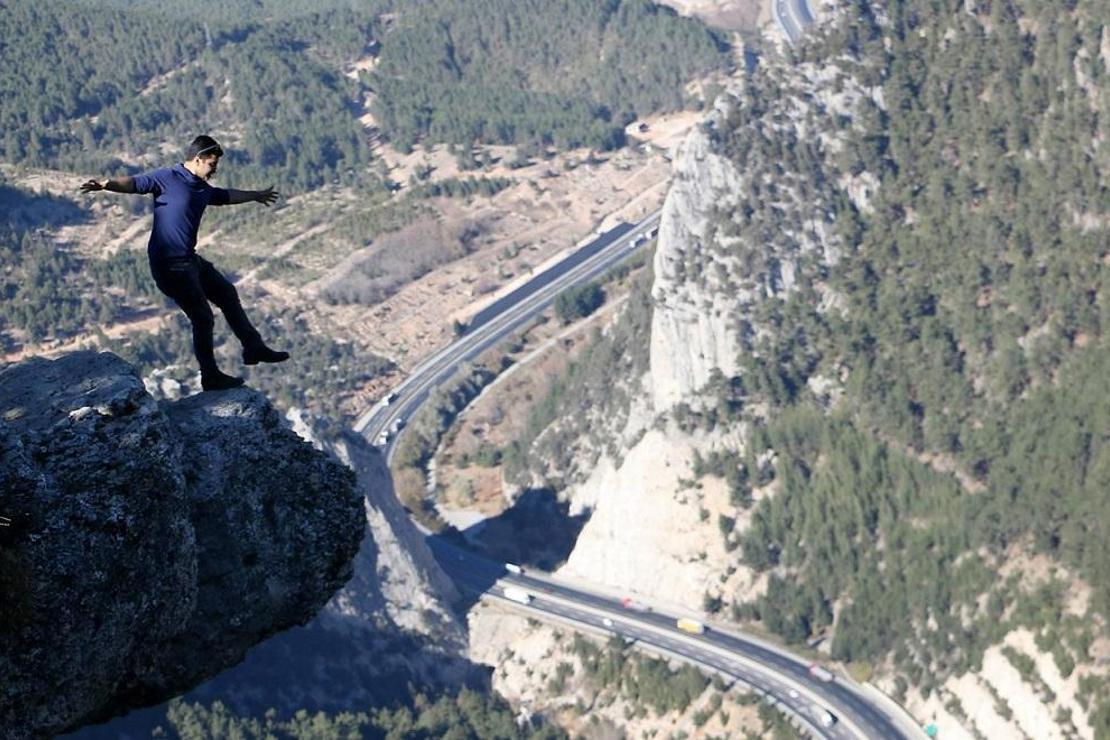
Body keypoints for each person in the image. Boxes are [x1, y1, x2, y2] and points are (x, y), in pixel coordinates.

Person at [80, 135, 290, 390]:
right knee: (202, 318)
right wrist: (105, 184)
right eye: (212, 164)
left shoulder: (202, 187)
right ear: (198, 159)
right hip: (169, 265)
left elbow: (225, 196)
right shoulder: (167, 178)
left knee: (226, 293)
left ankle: (254, 347)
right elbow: (134, 183)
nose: (215, 169)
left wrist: (256, 195)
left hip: (189, 260)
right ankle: (210, 376)